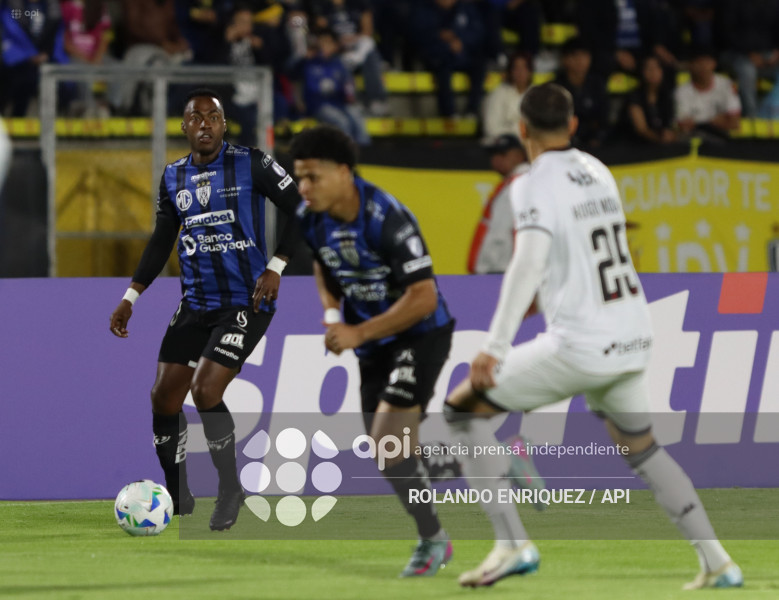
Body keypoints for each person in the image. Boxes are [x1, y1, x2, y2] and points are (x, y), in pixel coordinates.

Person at [444, 82, 743, 589]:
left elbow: (528, 261)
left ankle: (512, 544)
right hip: (632, 334)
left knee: (460, 411)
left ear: (522, 131)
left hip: (582, 342)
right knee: (642, 448)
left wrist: (493, 347)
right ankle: (717, 561)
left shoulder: (531, 183)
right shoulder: (597, 171)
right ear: (574, 125)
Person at [109, 88, 301, 531]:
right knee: (163, 397)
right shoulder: (173, 176)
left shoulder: (250, 162)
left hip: (247, 302)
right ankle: (177, 493)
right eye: (196, 117)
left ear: (224, 124)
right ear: (184, 127)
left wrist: (276, 266)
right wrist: (132, 295)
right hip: (195, 305)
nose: (205, 124)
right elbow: (162, 239)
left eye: (213, 116)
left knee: (206, 390)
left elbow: (303, 209)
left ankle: (230, 488)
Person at [289, 125, 455, 577]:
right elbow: (324, 265)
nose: (304, 188)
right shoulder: (311, 217)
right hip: (373, 346)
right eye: (299, 178)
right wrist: (330, 316)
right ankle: (484, 464)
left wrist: (357, 335)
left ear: (344, 172)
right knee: (391, 454)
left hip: (420, 333)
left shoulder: (387, 217)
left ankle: (433, 540)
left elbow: (422, 295)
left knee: (387, 436)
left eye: (313, 177)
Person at [468, 134, 529, 274]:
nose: (497, 159)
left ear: (519, 154)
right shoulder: (513, 183)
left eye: (503, 154)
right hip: (498, 270)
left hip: (503, 270)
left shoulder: (524, 183)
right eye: (493, 154)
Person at [675, 47, 741, 141]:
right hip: (692, 139)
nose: (703, 66)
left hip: (721, 138)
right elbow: (684, 126)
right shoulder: (681, 92)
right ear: (691, 65)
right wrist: (713, 121)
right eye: (698, 62)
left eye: (706, 62)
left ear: (714, 63)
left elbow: (734, 123)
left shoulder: (726, 85)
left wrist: (697, 122)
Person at [622, 54, 677, 144]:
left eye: (657, 68)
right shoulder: (634, 96)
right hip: (634, 146)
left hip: (662, 147)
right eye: (649, 68)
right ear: (642, 72)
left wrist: (671, 135)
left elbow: (671, 124)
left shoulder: (666, 95)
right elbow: (642, 129)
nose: (653, 72)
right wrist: (660, 139)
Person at [481, 51, 533, 140]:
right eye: (516, 68)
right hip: (503, 145)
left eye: (524, 68)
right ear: (510, 71)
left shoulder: (536, 94)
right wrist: (517, 132)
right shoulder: (498, 93)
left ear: (530, 71)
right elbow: (491, 128)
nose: (520, 72)